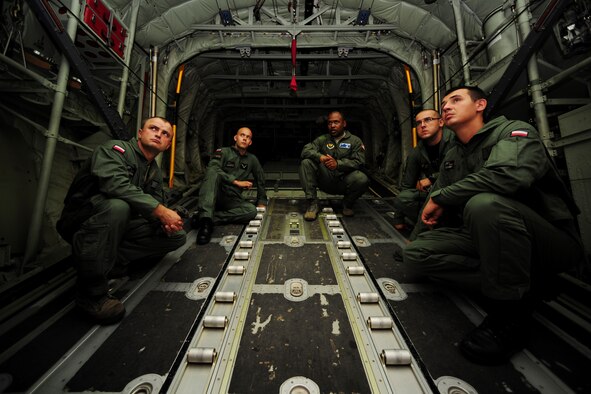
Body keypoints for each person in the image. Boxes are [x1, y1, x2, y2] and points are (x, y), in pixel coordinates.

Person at [402, 86, 584, 365]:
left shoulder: (513, 132)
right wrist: (414, 239)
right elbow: (433, 199)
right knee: (415, 257)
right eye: (444, 103)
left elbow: (508, 177)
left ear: (480, 105)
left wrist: (442, 196)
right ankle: (525, 283)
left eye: (456, 100)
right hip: (489, 237)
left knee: (483, 204)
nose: (446, 107)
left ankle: (511, 313)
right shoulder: (455, 154)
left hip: (549, 243)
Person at [57, 117, 187, 325]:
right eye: (153, 128)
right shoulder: (114, 150)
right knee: (118, 206)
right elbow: (114, 185)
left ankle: (109, 260)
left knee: (176, 237)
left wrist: (167, 221)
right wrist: (161, 211)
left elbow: (155, 204)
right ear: (140, 133)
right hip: (83, 219)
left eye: (165, 134)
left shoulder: (152, 171)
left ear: (168, 145)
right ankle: (91, 294)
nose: (158, 134)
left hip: (118, 224)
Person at [192, 127, 267, 245]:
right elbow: (213, 168)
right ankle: (205, 225)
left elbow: (260, 178)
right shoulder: (223, 152)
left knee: (251, 211)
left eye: (248, 137)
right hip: (216, 192)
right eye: (242, 135)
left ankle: (208, 218)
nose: (245, 138)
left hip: (232, 197)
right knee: (212, 172)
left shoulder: (252, 159)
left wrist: (261, 200)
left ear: (250, 142)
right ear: (235, 138)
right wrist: (235, 181)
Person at [299, 110, 369, 220]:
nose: (332, 126)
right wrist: (320, 157)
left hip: (344, 181)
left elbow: (359, 162)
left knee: (362, 179)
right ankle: (313, 204)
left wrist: (338, 164)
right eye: (330, 123)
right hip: (326, 179)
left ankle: (347, 204)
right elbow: (306, 150)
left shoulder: (355, 141)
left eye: (336, 122)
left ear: (344, 124)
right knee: (306, 162)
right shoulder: (323, 139)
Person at [392, 109, 453, 232]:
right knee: (403, 198)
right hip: (435, 195)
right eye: (418, 123)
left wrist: (431, 179)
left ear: (441, 122)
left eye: (428, 120)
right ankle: (436, 223)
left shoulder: (455, 142)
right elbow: (406, 185)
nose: (423, 125)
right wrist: (398, 219)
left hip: (456, 192)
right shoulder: (417, 152)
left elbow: (459, 172)